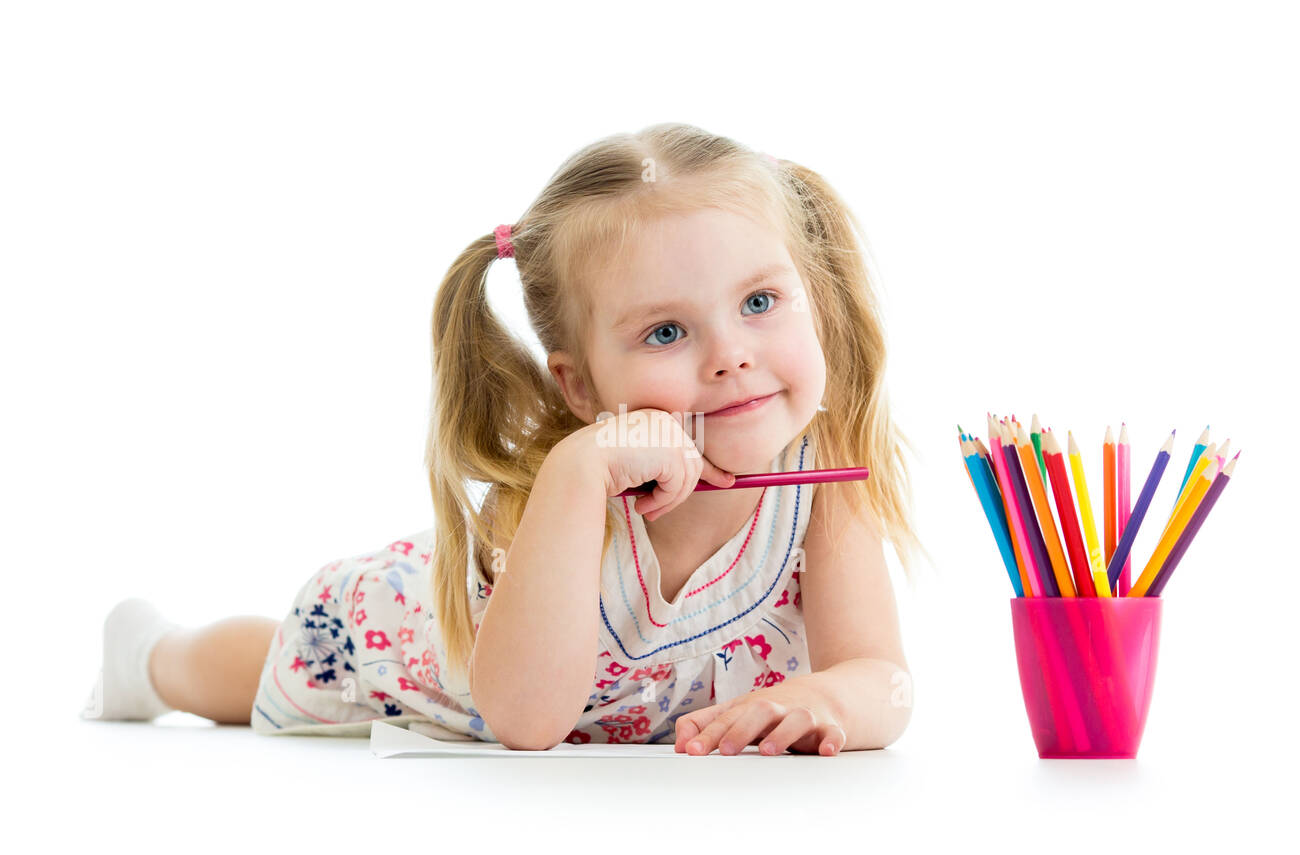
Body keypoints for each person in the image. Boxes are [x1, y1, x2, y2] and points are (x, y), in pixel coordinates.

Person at [82, 122, 928, 755]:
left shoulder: (822, 482)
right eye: (666, 333)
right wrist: (573, 474)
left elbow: (880, 677)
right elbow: (527, 721)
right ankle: (152, 655)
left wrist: (836, 704)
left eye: (759, 303)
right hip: (400, 641)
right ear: (580, 385)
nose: (733, 356)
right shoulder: (563, 493)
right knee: (261, 665)